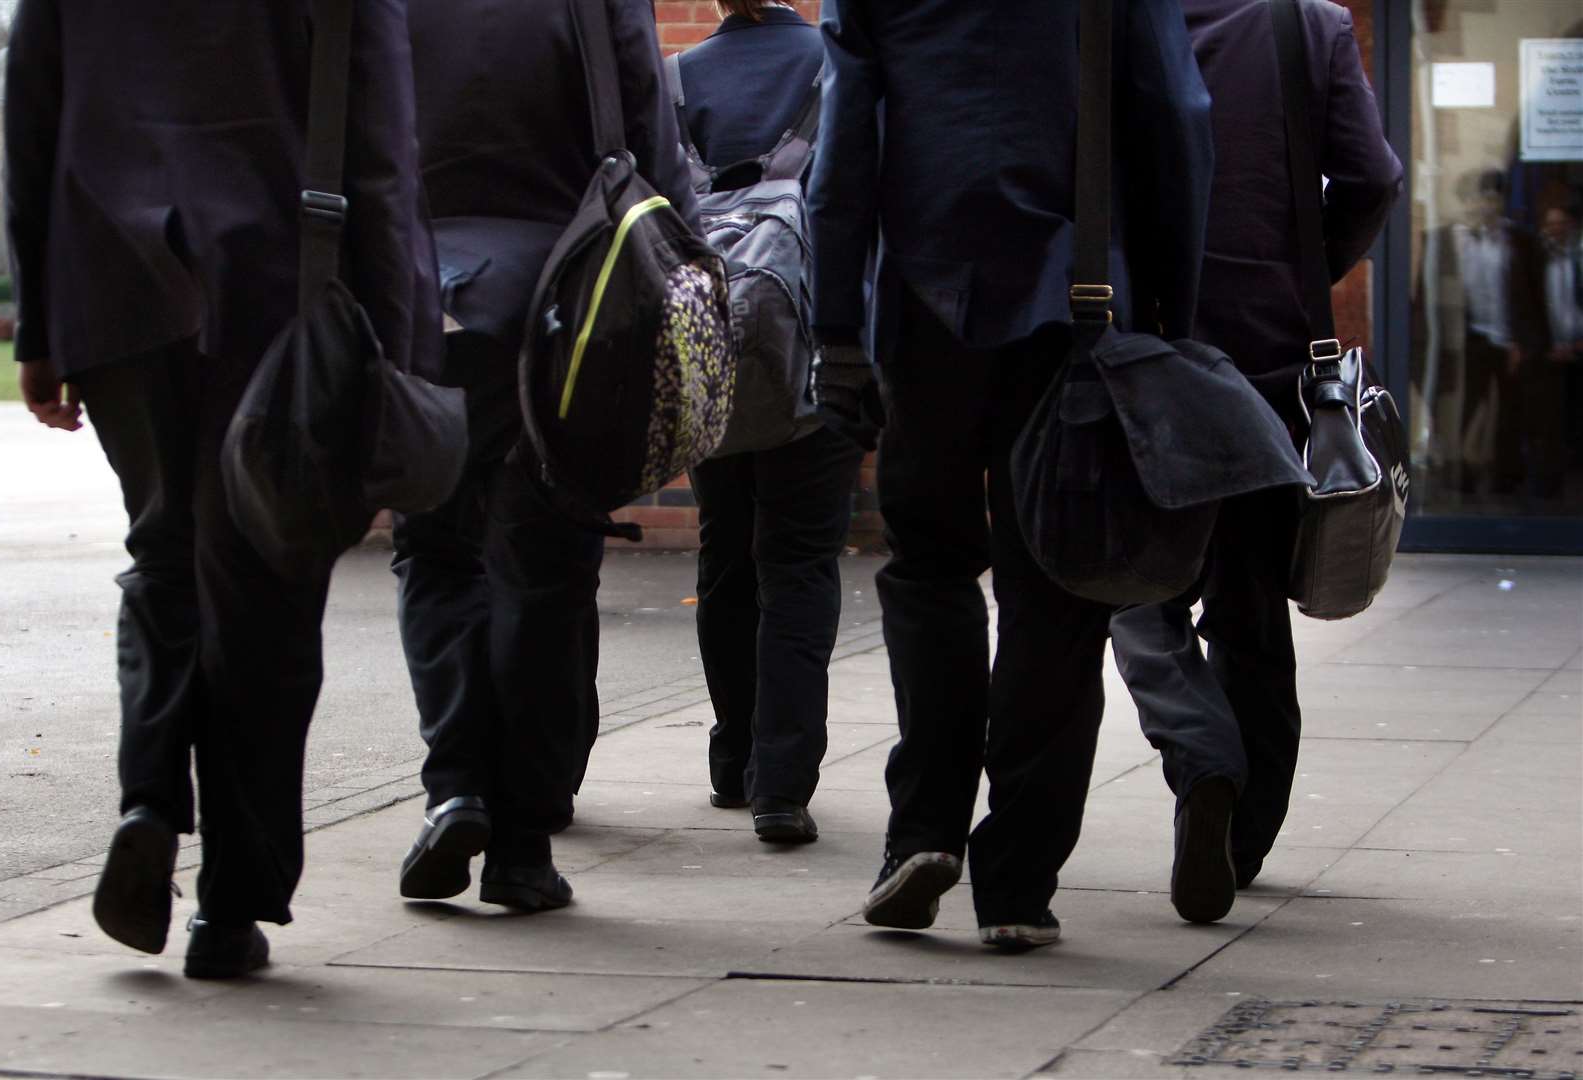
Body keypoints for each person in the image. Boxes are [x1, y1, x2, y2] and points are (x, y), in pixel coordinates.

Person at [5, 0, 440, 976]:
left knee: (160, 548)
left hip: (110, 279)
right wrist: (400, 355)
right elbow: (381, 154)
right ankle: (231, 906)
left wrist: (39, 325)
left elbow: (31, 109)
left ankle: (149, 799)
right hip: (276, 281)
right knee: (268, 587)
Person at [807, 0, 1213, 947]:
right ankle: (1020, 881)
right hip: (1078, 304)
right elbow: (1177, 123)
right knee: (1058, 588)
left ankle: (922, 831)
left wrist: (834, 326)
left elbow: (844, 147)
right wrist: (1173, 315)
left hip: (925, 303)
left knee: (929, 569)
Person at [393, 0, 699, 911]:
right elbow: (647, 133)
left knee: (436, 548)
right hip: (568, 305)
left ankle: (454, 788)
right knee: (548, 571)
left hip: (424, 300)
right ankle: (523, 846)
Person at [1109, 0, 1402, 922]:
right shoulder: (1304, 25)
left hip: (1144, 357)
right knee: (1247, 614)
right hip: (1271, 356)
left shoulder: (1105, 22)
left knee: (1130, 587)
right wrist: (1300, 274)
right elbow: (1367, 177)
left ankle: (1202, 759)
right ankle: (1242, 834)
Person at [673, 0, 864, 845]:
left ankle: (731, 757)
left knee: (726, 549)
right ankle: (780, 786)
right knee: (799, 563)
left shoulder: (674, 80)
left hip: (709, 348)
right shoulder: (837, 61)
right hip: (818, 345)